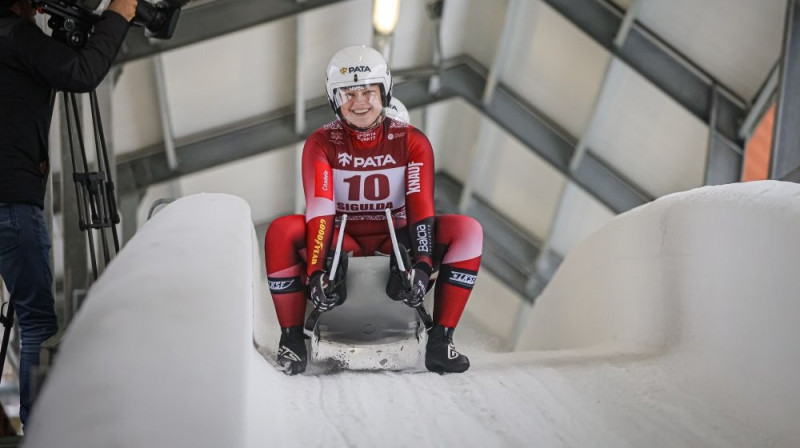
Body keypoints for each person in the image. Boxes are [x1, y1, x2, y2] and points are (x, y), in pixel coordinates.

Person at [264, 46, 483, 375]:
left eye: (368, 91)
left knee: (467, 230)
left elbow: (419, 204)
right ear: (334, 99)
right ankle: (292, 340)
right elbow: (320, 209)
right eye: (348, 94)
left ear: (385, 92)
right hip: (342, 239)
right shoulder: (321, 142)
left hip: (398, 238)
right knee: (282, 230)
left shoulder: (412, 140)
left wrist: (422, 266)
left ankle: (442, 339)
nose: (360, 102)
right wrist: (315, 272)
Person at [0, 0, 137, 425]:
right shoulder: (14, 35)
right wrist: (120, 15)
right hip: (11, 204)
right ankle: (38, 428)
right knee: (38, 324)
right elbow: (80, 72)